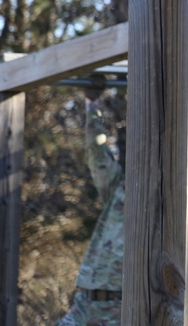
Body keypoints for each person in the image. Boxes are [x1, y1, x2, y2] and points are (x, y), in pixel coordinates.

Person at [55, 94, 125, 326]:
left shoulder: (164, 204)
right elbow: (97, 154)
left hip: (123, 307)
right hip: (87, 300)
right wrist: (91, 107)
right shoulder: (121, 189)